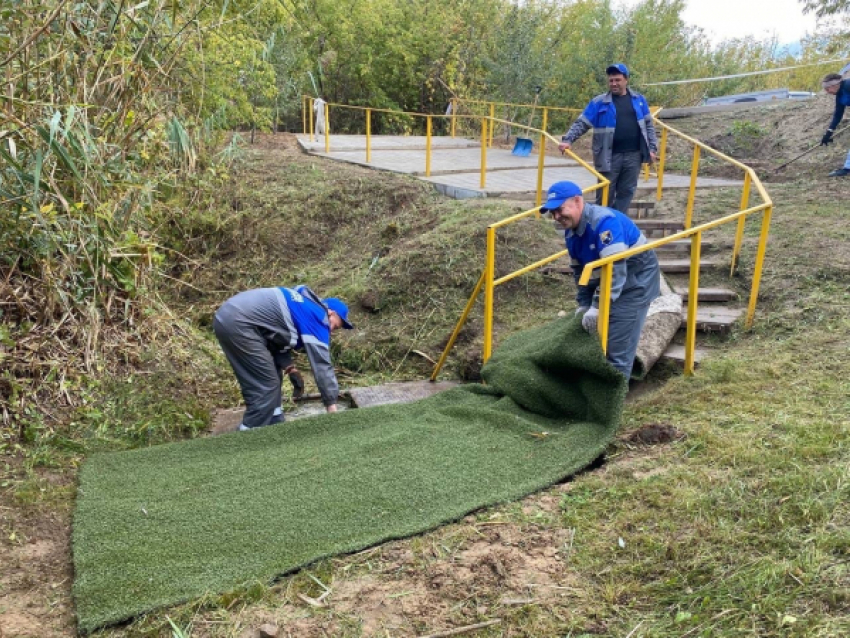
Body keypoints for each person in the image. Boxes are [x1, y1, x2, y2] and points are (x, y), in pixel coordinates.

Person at [541, 180, 660, 379]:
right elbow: (580, 271)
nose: (557, 217)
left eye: (560, 210)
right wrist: (584, 303)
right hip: (610, 279)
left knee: (617, 346)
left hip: (635, 280)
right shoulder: (572, 232)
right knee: (595, 336)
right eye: (553, 213)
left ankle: (613, 403)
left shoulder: (605, 223)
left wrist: (597, 305)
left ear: (578, 201)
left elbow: (615, 270)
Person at [214, 285, 354, 431]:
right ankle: (244, 435)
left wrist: (289, 367)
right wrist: (332, 409)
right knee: (266, 384)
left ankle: (275, 422)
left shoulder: (302, 305)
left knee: (272, 374)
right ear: (331, 313)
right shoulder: (319, 317)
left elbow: (274, 339)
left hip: (232, 316)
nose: (330, 330)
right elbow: (322, 366)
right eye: (335, 326)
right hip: (239, 323)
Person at [558, 63, 658, 215]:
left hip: (634, 156)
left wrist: (652, 148)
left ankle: (615, 224)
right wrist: (568, 139)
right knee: (605, 193)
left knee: (627, 192)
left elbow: (649, 126)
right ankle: (601, 225)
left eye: (617, 80)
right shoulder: (599, 102)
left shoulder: (639, 100)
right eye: (611, 81)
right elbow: (582, 123)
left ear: (626, 80)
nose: (614, 84)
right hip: (608, 156)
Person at [820, 72, 850, 177]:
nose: (827, 92)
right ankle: (848, 168)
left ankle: (848, 168)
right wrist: (829, 132)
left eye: (827, 89)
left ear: (834, 85)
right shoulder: (840, 95)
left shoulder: (848, 85)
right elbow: (838, 115)